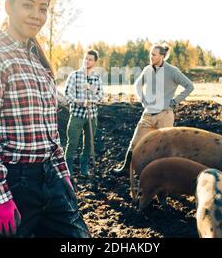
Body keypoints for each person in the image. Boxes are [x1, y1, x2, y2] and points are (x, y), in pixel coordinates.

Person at [0, 0, 90, 238]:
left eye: (43, 8)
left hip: (50, 178)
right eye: (28, 5)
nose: (37, 15)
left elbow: (50, 129)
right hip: (13, 183)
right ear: (8, 7)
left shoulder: (38, 63)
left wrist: (62, 173)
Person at [112, 44, 195, 175]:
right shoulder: (147, 70)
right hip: (148, 115)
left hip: (165, 115)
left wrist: (175, 101)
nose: (151, 57)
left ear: (162, 56)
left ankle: (167, 176)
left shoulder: (172, 71)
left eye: (154, 54)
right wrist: (142, 99)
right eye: (150, 54)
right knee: (135, 142)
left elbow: (189, 86)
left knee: (166, 148)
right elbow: (137, 85)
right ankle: (126, 168)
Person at [64, 50, 104, 178]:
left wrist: (91, 100)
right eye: (86, 58)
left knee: (89, 142)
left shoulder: (96, 78)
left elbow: (100, 95)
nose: (87, 61)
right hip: (77, 114)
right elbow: (67, 93)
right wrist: (78, 101)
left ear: (95, 62)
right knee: (73, 141)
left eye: (90, 59)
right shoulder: (74, 75)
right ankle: (68, 169)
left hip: (92, 115)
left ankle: (84, 168)